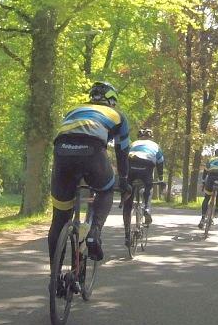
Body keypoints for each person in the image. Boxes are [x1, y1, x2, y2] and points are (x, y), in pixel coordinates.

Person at [48, 81, 131, 266]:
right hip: (92, 151)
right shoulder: (118, 116)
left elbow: (66, 135)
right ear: (111, 101)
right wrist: (124, 180)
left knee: (59, 218)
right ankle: (94, 233)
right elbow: (122, 150)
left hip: (62, 152)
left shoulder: (73, 111)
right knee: (105, 190)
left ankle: (55, 275)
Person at [122, 128, 165, 246]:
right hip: (146, 168)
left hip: (131, 167)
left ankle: (127, 236)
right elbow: (160, 162)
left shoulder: (133, 144)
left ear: (139, 137)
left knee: (128, 201)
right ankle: (146, 208)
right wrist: (161, 178)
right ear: (151, 137)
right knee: (148, 187)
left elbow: (124, 157)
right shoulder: (155, 146)